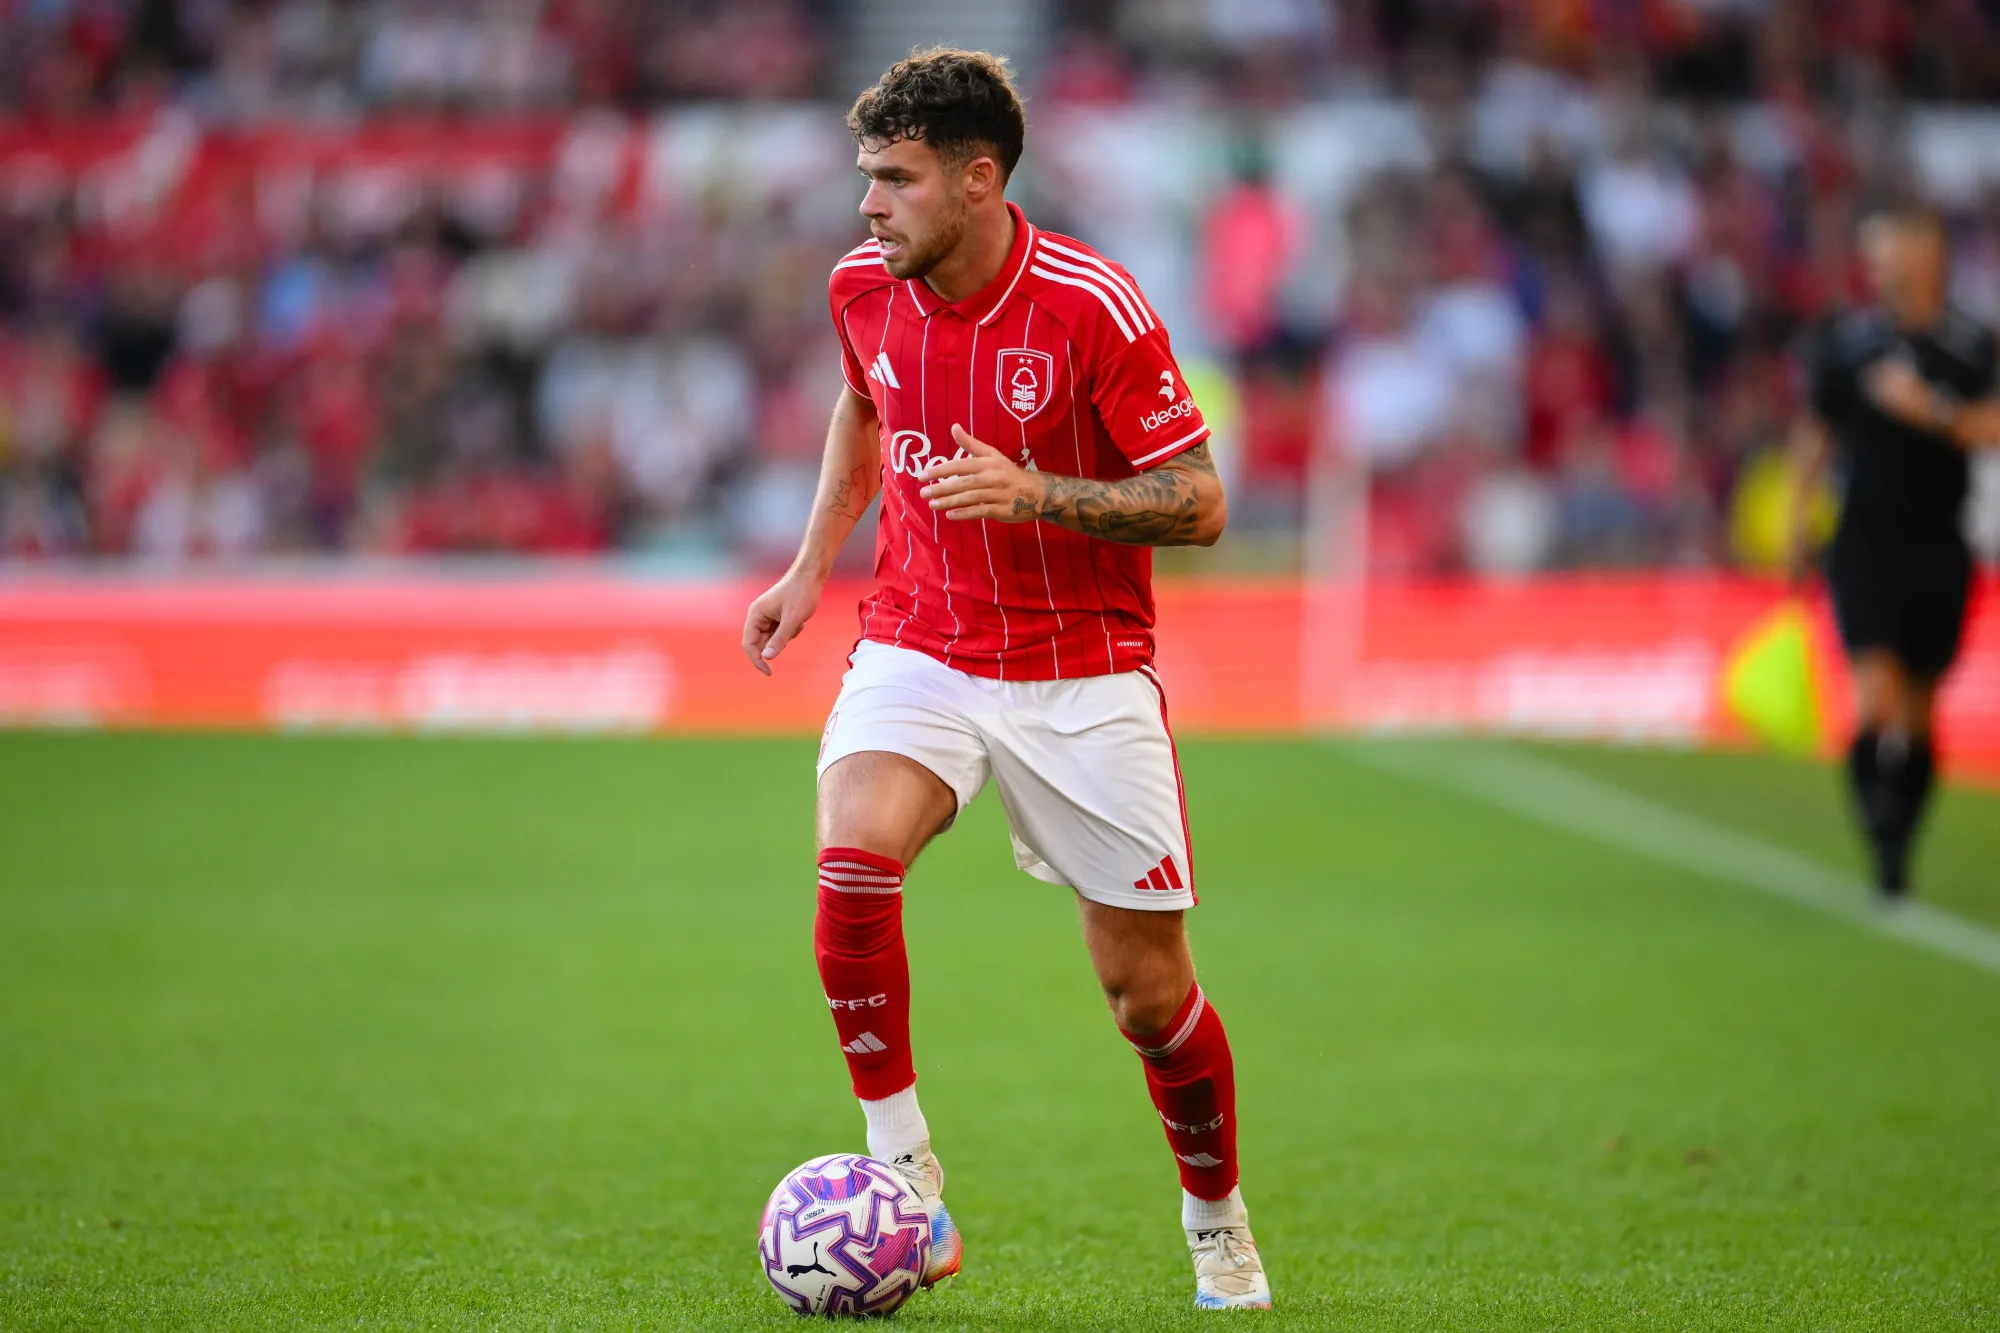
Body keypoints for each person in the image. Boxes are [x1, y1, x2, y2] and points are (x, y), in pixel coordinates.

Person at [740, 48, 1270, 1311]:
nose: (869, 205)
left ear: (978, 181)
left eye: (896, 179)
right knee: (852, 860)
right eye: (866, 176)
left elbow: (1199, 503)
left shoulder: (1093, 304)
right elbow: (861, 410)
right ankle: (902, 1170)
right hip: (919, 639)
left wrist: (1037, 491)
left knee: (1147, 998)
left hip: (1080, 673)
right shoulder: (862, 287)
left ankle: (1215, 1218)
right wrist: (813, 563)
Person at [1789, 203, 1998, 898]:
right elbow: (1815, 433)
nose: (1877, 266)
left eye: (1889, 251)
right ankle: (1879, 834)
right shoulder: (1848, 343)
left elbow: (1995, 424)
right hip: (1865, 540)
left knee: (1918, 708)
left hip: (1940, 540)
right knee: (1875, 697)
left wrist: (1931, 411)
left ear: (1928, 252)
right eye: (1872, 254)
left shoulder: (1971, 343)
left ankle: (1902, 833)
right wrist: (1796, 520)